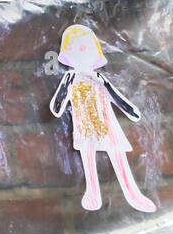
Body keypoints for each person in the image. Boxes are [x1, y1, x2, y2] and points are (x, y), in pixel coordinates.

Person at [49, 24, 157, 213]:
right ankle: (92, 191)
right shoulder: (70, 79)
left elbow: (114, 96)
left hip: (106, 122)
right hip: (84, 124)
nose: (83, 53)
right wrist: (61, 97)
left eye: (87, 49)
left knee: (117, 152)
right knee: (87, 154)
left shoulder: (99, 78)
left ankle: (132, 192)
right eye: (78, 49)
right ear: (66, 55)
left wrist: (131, 111)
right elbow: (58, 104)